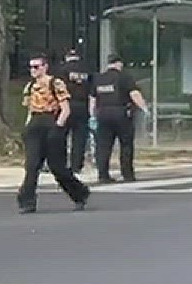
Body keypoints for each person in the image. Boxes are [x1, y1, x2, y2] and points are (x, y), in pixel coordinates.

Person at [17, 54, 90, 214]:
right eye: (31, 67)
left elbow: (65, 109)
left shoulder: (55, 83)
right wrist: (27, 127)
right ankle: (27, 201)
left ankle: (79, 193)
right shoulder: (29, 86)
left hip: (51, 122)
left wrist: (58, 127)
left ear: (45, 67)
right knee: (32, 165)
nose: (33, 70)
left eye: (36, 67)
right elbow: (30, 109)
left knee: (57, 167)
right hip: (35, 124)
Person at [91, 55, 148, 183]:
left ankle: (103, 175)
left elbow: (93, 99)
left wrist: (93, 115)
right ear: (119, 64)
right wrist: (144, 108)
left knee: (103, 146)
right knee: (126, 145)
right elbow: (134, 94)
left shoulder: (98, 78)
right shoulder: (124, 77)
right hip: (121, 113)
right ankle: (127, 174)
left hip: (102, 113)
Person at [59, 47, 94, 173]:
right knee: (79, 138)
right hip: (83, 106)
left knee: (61, 136)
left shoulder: (62, 70)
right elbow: (92, 91)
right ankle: (76, 165)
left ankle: (60, 163)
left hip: (66, 106)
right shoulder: (87, 70)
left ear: (67, 58)